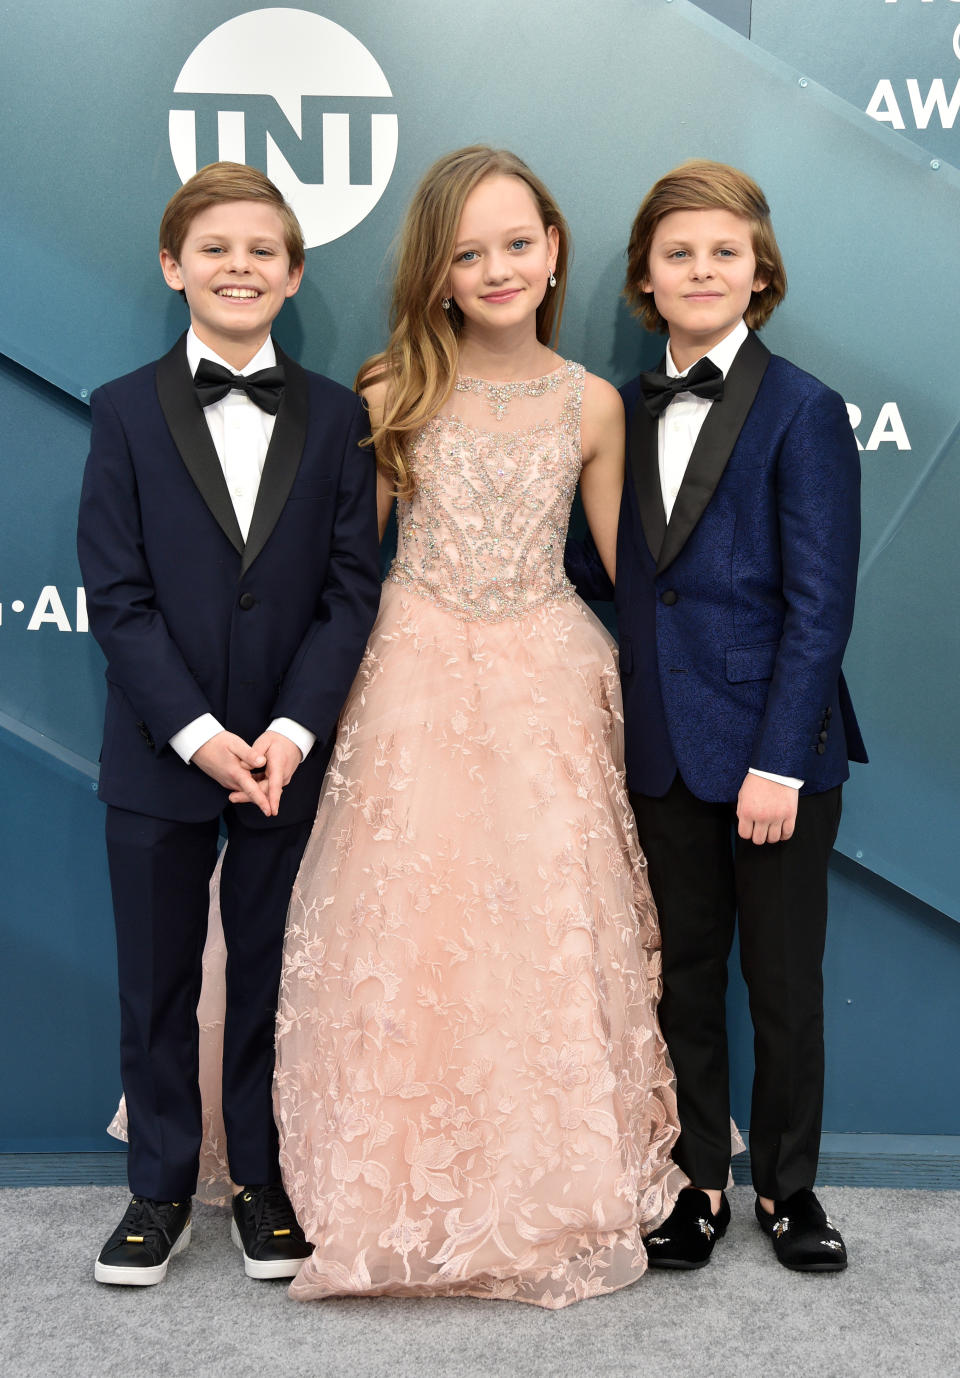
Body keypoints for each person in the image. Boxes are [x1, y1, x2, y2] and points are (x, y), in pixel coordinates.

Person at [266, 146, 686, 1307]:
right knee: (408, 921)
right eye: (468, 252)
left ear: (553, 250)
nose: (497, 268)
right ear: (437, 274)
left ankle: (541, 1175)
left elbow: (621, 571)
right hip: (410, 670)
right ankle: (388, 1186)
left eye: (517, 243)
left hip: (546, 679)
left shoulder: (593, 402)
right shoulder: (394, 386)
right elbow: (353, 566)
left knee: (544, 925)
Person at [77, 162, 381, 1286]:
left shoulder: (341, 418)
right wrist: (199, 732)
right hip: (163, 756)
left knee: (267, 974)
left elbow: (353, 591)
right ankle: (157, 1191)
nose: (239, 266)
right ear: (174, 266)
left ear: (294, 275)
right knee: (155, 980)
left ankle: (260, 1179)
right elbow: (117, 595)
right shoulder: (120, 410)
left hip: (287, 762)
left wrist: (292, 732)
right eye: (215, 249)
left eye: (263, 251)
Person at [567, 159, 866, 1272]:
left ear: (759, 272)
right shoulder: (613, 408)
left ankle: (790, 1186)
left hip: (777, 756)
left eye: (724, 253)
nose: (702, 270)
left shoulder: (803, 408)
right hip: (659, 750)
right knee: (678, 975)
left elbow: (820, 600)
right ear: (646, 275)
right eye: (679, 252)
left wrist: (781, 761)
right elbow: (600, 567)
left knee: (783, 984)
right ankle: (695, 1179)